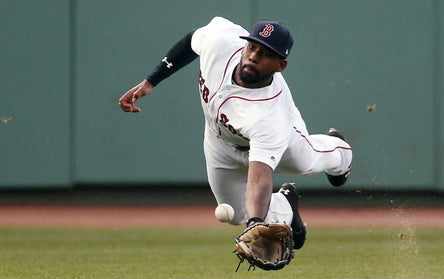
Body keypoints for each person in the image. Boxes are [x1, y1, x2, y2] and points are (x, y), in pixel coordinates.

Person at [119, 17, 352, 249]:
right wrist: (151, 81)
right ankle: (286, 206)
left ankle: (341, 152)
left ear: (280, 66)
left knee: (306, 161)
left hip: (282, 143)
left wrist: (256, 223)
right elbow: (192, 40)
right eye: (252, 46)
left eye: (267, 54)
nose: (254, 56)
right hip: (219, 143)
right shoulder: (219, 44)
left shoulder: (270, 118)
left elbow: (259, 177)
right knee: (234, 214)